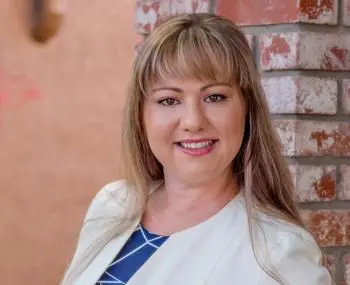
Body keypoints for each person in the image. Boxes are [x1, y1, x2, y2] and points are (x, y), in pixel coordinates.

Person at [60, 13, 332, 285]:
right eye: (168, 100)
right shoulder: (112, 204)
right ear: (141, 115)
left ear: (247, 111)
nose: (193, 121)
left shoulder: (277, 254)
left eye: (214, 97)